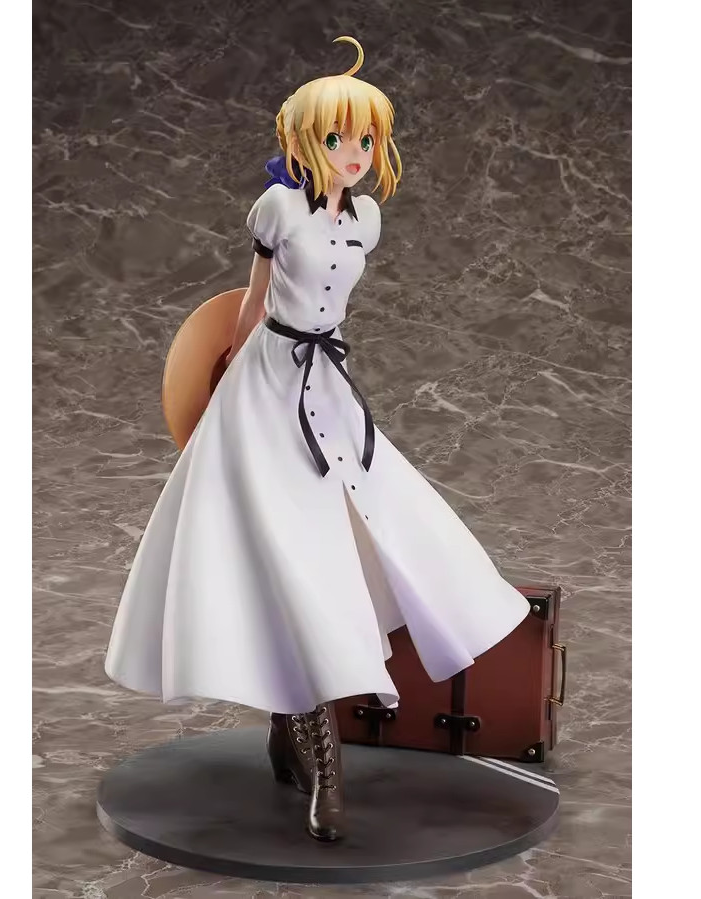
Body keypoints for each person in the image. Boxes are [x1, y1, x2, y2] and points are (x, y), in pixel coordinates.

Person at [104, 35, 530, 843]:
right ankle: (322, 769)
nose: (353, 152)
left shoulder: (365, 217)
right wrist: (220, 385)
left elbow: (334, 311)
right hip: (263, 386)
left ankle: (289, 732)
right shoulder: (277, 208)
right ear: (304, 140)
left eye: (365, 138)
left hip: (327, 387)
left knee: (371, 533)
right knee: (285, 557)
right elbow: (252, 302)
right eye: (336, 138)